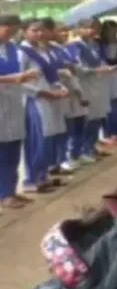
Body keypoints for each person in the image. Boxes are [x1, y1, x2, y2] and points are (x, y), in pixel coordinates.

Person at [18, 18, 68, 193]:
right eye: (34, 30)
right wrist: (42, 92)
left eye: (41, 30)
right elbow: (19, 81)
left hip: (50, 98)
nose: (39, 33)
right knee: (38, 139)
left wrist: (59, 87)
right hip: (35, 101)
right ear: (24, 31)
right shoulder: (22, 52)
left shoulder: (42, 50)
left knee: (49, 138)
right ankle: (31, 180)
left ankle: (43, 175)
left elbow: (52, 75)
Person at [0, 14, 37, 210]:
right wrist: (16, 77)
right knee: (2, 152)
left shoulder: (13, 47)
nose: (12, 33)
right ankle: (4, 194)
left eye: (15, 30)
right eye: (9, 29)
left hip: (13, 102)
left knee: (14, 149)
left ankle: (10, 191)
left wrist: (22, 77)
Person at [67, 18, 114, 164]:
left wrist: (104, 67)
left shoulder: (95, 44)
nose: (91, 31)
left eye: (94, 28)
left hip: (99, 83)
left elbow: (100, 60)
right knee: (88, 117)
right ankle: (82, 150)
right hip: (85, 84)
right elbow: (77, 67)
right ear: (79, 29)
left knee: (98, 116)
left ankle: (91, 146)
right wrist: (95, 69)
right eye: (87, 28)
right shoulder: (75, 46)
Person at [48, 21, 89, 172]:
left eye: (66, 31)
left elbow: (75, 67)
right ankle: (63, 158)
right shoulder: (52, 50)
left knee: (80, 123)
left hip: (76, 88)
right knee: (67, 128)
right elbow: (62, 69)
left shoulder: (68, 48)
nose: (64, 34)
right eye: (60, 31)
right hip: (64, 91)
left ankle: (77, 154)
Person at [98, 20, 117, 146]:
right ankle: (108, 133)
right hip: (108, 76)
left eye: (115, 30)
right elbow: (108, 59)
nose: (113, 33)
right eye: (111, 30)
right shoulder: (100, 44)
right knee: (112, 107)